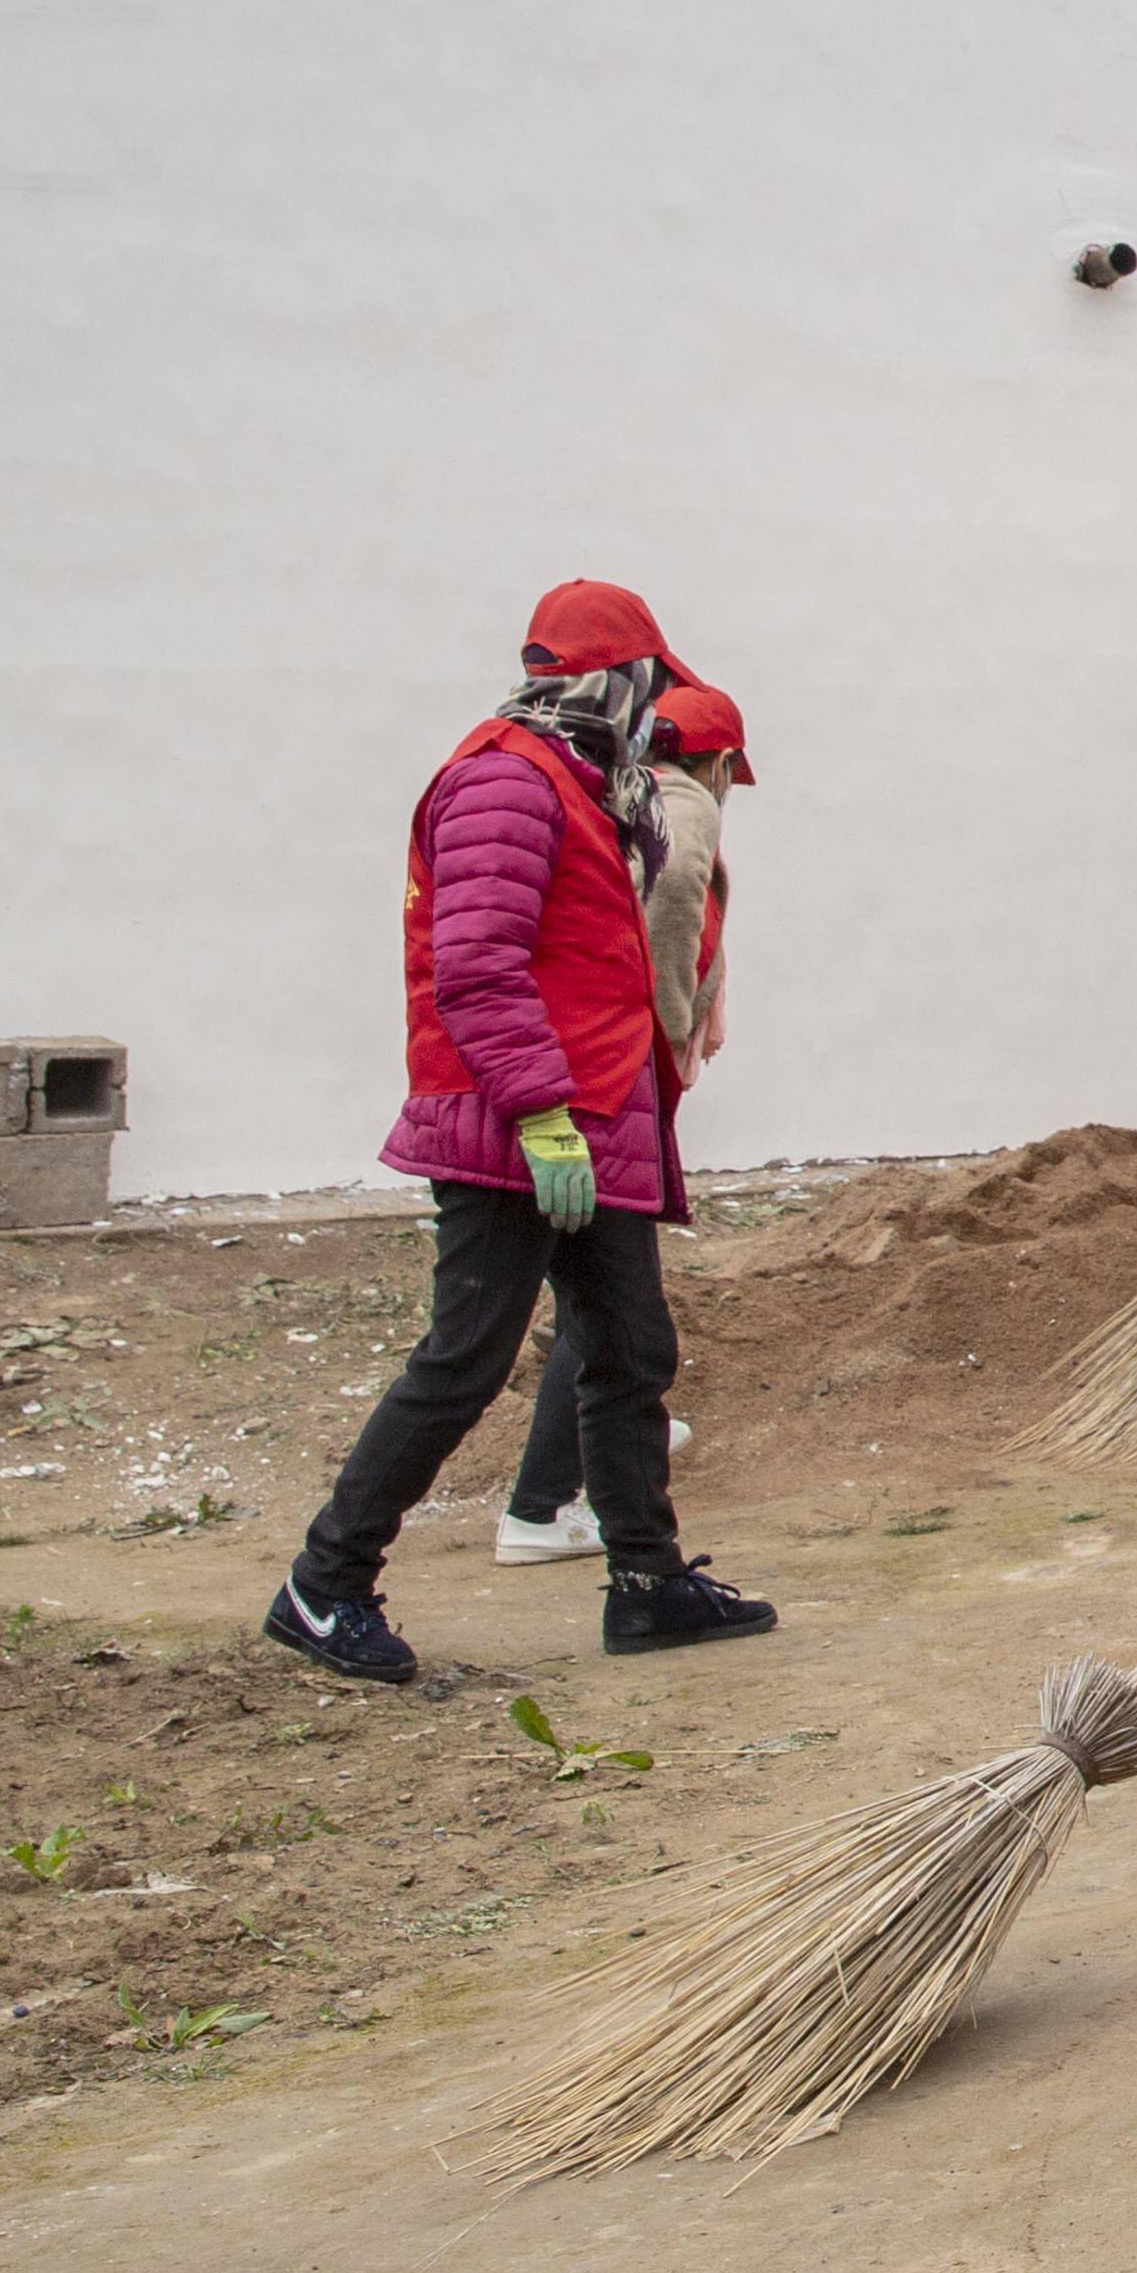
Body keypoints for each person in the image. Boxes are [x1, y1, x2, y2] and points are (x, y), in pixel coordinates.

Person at [269, 584, 776, 1684]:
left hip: (589, 1118)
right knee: (465, 1360)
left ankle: (647, 1582)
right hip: (518, 1124)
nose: (656, 711)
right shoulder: (506, 778)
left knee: (631, 1346)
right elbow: (479, 965)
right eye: (651, 684)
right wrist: (542, 1114)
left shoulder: (578, 782)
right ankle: (324, 1583)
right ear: (616, 679)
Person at [492, 677, 744, 1564]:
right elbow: (674, 904)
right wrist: (669, 1031)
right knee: (607, 1317)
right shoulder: (678, 804)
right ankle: (546, 1504)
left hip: (579, 1079)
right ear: (715, 762)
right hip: (604, 1084)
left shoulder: (617, 792)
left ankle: (569, 1493)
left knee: (601, 1310)